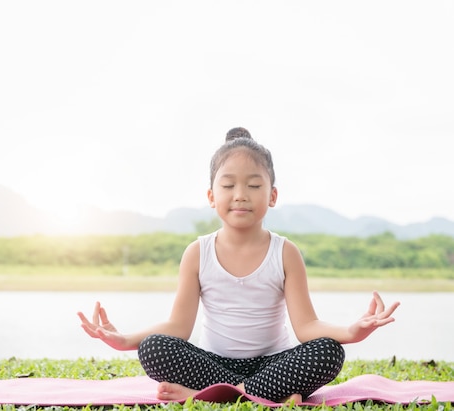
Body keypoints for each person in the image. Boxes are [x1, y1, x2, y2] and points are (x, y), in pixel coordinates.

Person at [77, 127, 400, 403]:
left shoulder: (285, 252)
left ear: (272, 195)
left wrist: (351, 332)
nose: (241, 195)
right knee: (154, 348)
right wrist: (124, 340)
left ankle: (210, 394)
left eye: (254, 185)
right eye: (229, 185)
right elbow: (178, 327)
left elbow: (306, 328)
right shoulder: (197, 251)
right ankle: (257, 393)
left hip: (274, 362)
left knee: (328, 352)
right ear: (211, 195)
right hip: (213, 362)